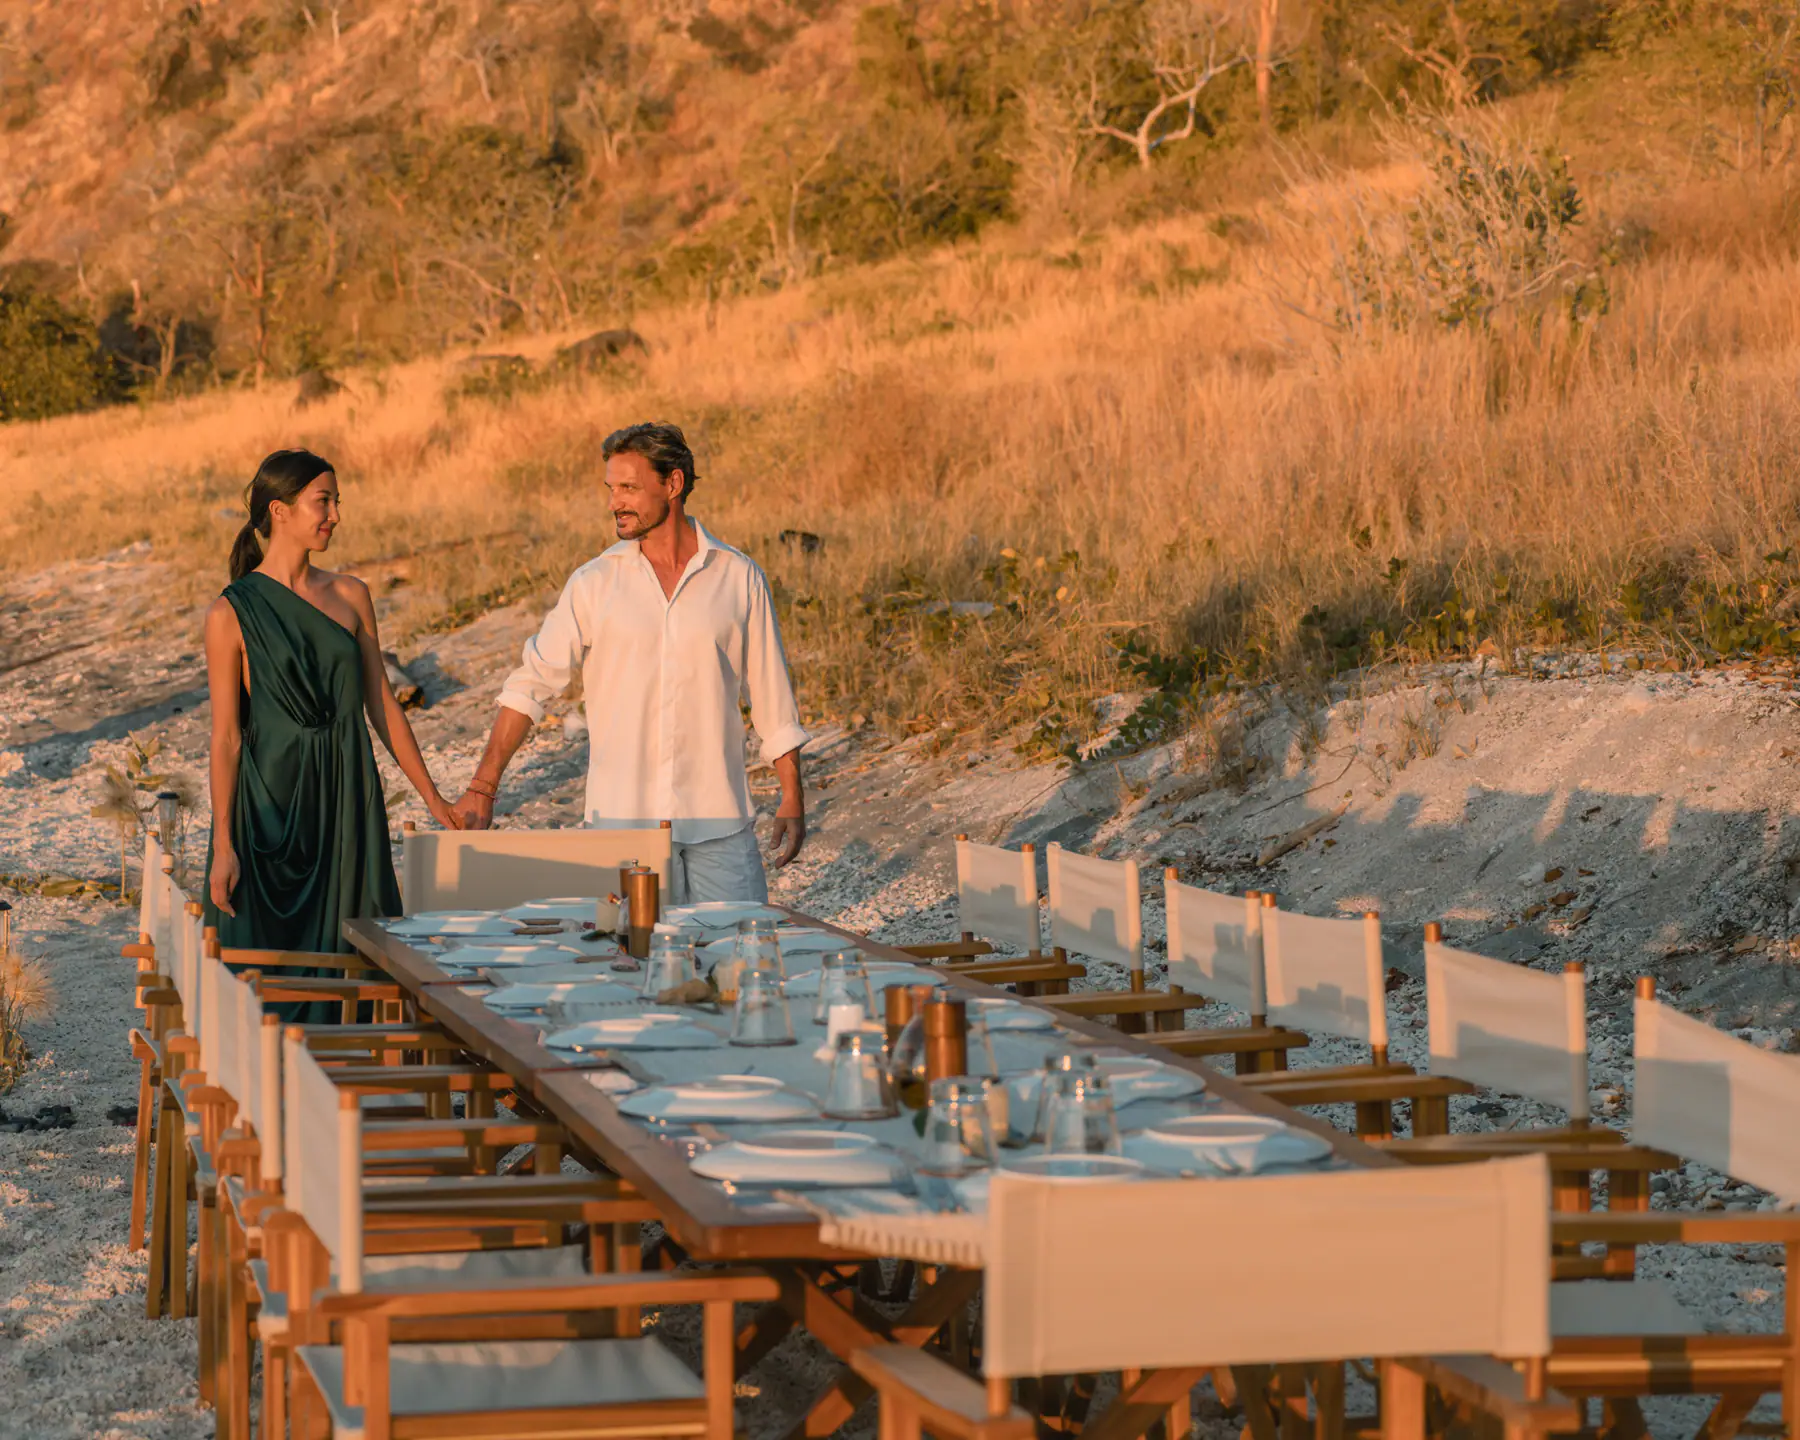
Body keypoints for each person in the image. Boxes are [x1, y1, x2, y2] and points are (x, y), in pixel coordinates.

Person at [453, 421, 808, 903]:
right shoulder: (594, 583)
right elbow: (530, 685)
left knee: (737, 961)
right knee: (628, 967)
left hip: (719, 821)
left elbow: (772, 697)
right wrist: (482, 788)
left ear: (673, 484)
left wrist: (792, 794)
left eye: (628, 487)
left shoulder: (738, 576)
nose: (614, 502)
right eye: (610, 488)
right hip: (621, 828)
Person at [203, 450, 461, 993]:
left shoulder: (351, 595)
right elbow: (226, 736)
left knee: (360, 950)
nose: (335, 515)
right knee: (261, 965)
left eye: (336, 502)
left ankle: (357, 1072)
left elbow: (382, 704)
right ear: (280, 510)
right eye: (324, 502)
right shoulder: (229, 612)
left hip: (347, 797)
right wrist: (224, 843)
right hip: (269, 809)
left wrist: (433, 799)